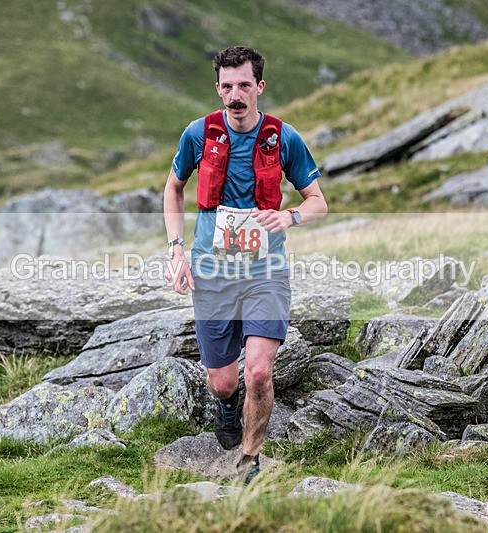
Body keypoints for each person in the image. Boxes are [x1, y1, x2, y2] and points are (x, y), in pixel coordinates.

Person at [163, 45, 327, 484]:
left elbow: (318, 203)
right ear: (218, 88)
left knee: (257, 372)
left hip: (264, 273)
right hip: (212, 273)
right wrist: (177, 249)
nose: (236, 95)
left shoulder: (283, 138)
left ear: (260, 87)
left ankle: (250, 461)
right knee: (224, 382)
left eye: (244, 86)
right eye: (228, 86)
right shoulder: (198, 134)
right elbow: (173, 189)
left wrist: (288, 215)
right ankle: (226, 403)